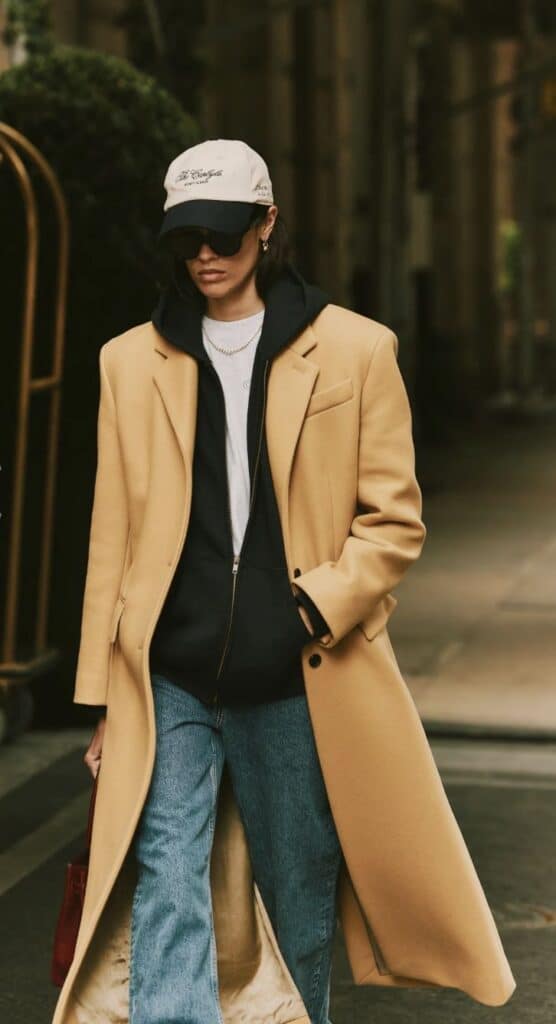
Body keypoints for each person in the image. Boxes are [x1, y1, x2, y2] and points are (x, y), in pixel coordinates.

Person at [80, 137, 422, 1024]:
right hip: (170, 671)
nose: (204, 253)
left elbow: (394, 523)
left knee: (295, 892)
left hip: (297, 672)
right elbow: (110, 537)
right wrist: (107, 701)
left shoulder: (357, 350)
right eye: (187, 235)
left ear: (267, 226)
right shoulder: (128, 361)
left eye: (224, 233)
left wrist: (310, 607)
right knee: (165, 876)